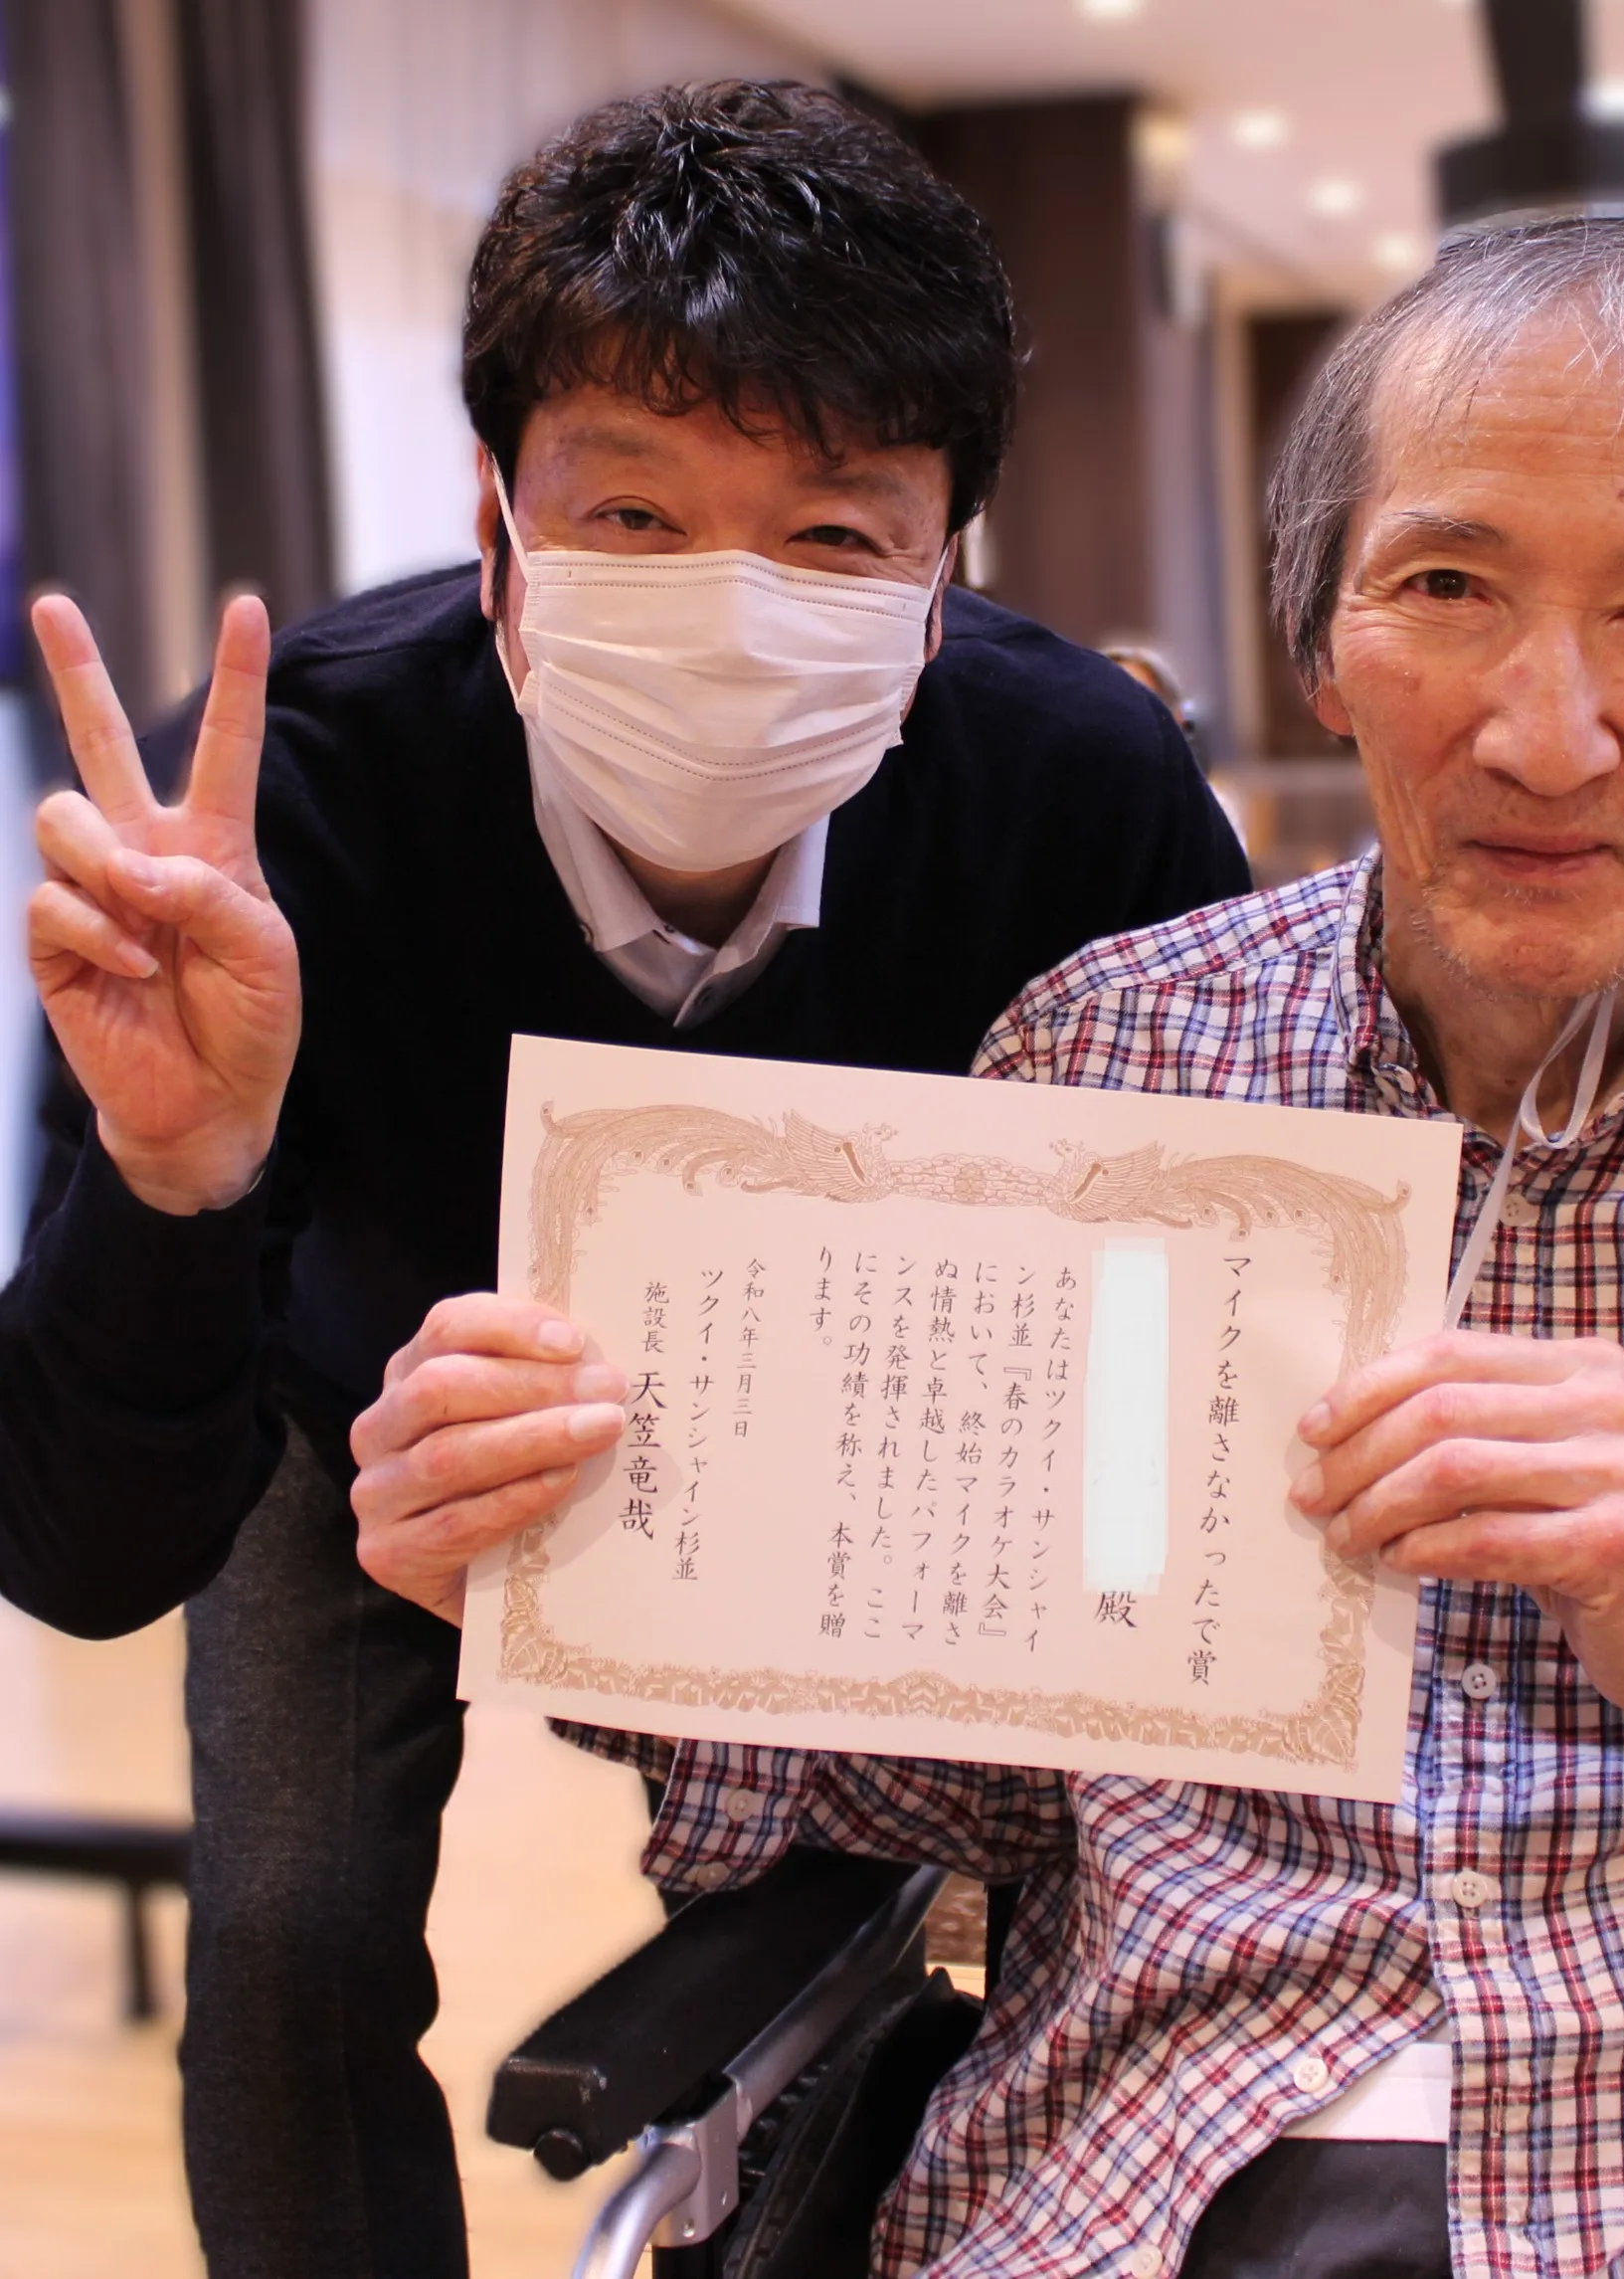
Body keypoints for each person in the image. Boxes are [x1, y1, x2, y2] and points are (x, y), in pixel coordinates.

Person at [346, 222, 1624, 2275]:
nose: (1542, 733)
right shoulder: (1114, 1062)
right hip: (1140, 2184)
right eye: (1446, 587)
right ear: (1322, 642)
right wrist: (586, 1565)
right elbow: (967, 1787)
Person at [3, 82, 1246, 2279]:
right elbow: (85, 1558)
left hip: (864, 1439)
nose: (730, 613)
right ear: (496, 530)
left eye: (833, 538)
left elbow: (1199, 1332)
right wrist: (178, 1174)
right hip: (361, 1415)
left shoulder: (1080, 791)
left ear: (944, 573)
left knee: (872, 1920)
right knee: (287, 1932)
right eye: (634, 516)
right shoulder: (263, 817)